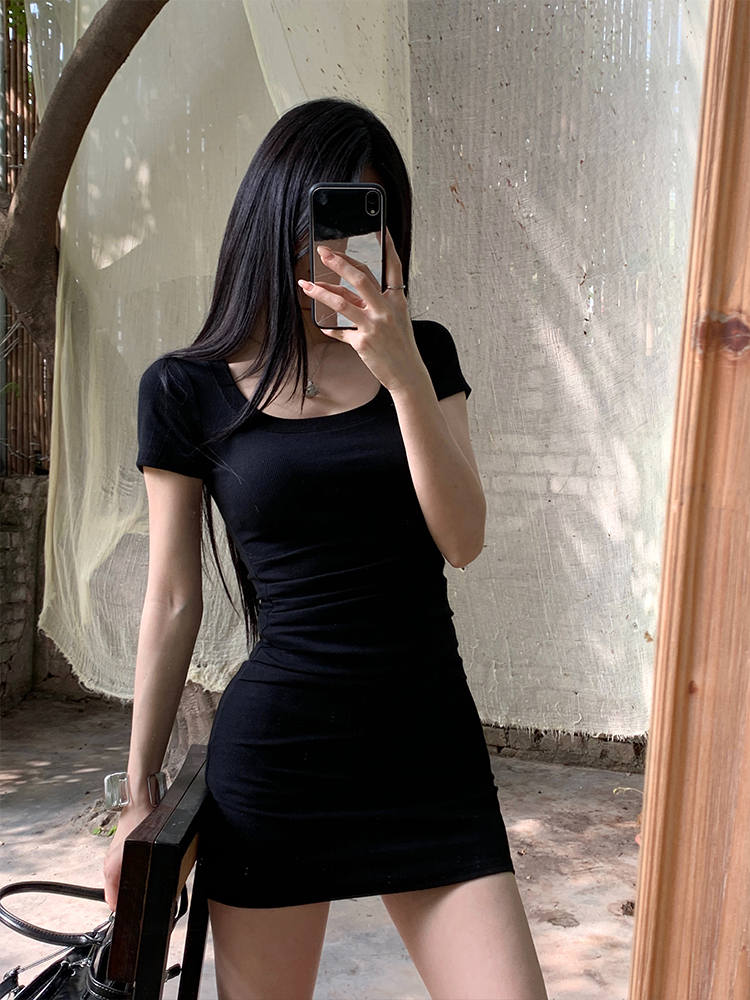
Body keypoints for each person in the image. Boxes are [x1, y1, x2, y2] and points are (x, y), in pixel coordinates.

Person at [103, 96, 548, 1000]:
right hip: (279, 766)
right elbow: (174, 599)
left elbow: (463, 539)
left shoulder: (425, 353)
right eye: (331, 219)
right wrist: (138, 796)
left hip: (428, 754)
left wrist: (404, 376)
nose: (348, 249)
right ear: (278, 218)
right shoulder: (186, 390)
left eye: (371, 220)